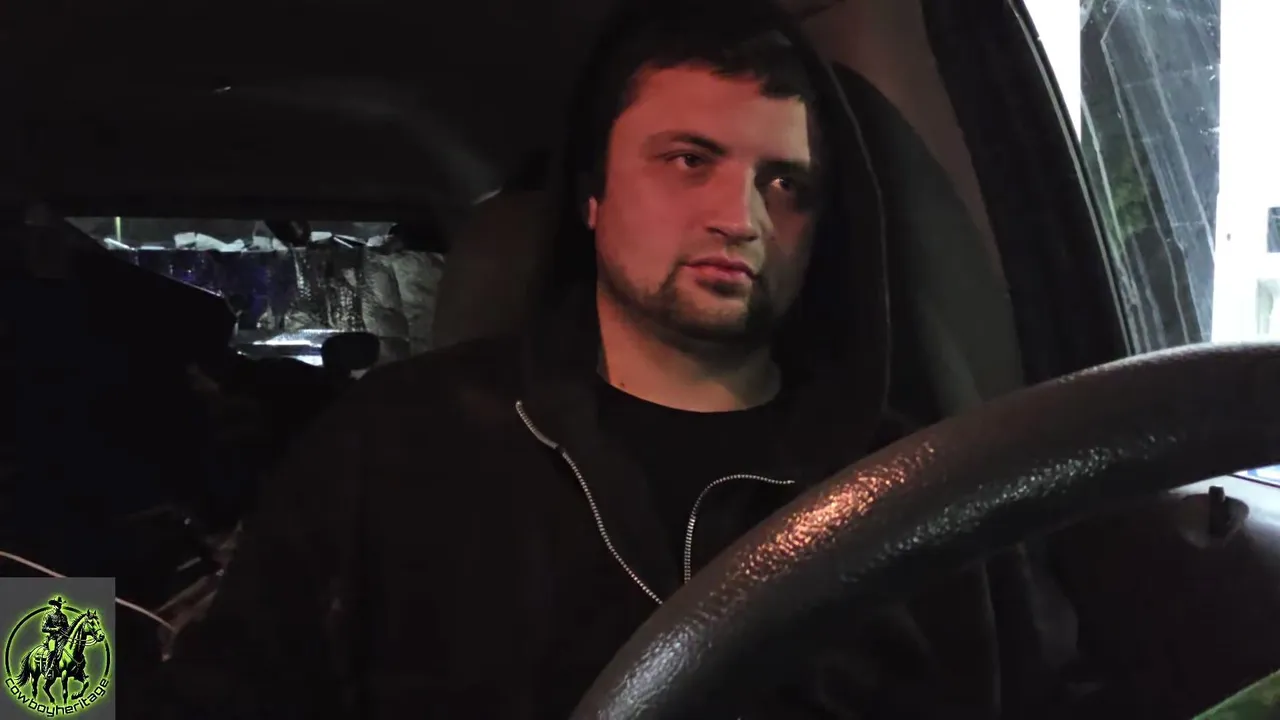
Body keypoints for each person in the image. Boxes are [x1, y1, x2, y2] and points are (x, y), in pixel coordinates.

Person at [136, 2, 1081, 718]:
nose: (741, 218)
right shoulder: (390, 452)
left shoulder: (913, 495)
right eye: (688, 161)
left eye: (784, 183)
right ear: (592, 197)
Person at [41, 597, 70, 679]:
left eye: (59, 605)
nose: (58, 606)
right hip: (53, 638)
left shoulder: (64, 616)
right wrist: (54, 629)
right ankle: (47, 670)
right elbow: (43, 628)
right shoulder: (48, 615)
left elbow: (67, 627)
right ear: (53, 605)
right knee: (52, 651)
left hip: (63, 637)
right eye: (56, 604)